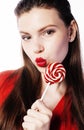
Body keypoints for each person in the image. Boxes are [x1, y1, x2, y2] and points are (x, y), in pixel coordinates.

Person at [0, 0, 84, 130]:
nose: (36, 48)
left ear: (71, 31)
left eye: (48, 32)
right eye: (27, 37)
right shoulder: (3, 82)